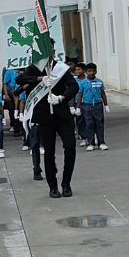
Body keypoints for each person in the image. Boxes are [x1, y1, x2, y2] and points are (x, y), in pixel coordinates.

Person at [17, 57, 80, 198]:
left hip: (62, 113)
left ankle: (66, 183)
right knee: (49, 151)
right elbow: (20, 80)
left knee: (70, 146)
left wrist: (62, 97)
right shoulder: (34, 67)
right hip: (44, 116)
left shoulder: (60, 68)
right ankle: (53, 186)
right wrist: (40, 79)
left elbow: (74, 86)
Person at [78, 63, 110, 151]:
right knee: (89, 124)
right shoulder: (83, 83)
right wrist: (78, 107)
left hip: (98, 105)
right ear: (86, 72)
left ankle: (101, 143)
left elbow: (103, 94)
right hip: (86, 105)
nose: (91, 73)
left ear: (96, 71)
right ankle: (91, 143)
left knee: (99, 124)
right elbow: (80, 95)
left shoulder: (99, 82)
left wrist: (106, 105)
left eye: (93, 71)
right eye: (89, 71)